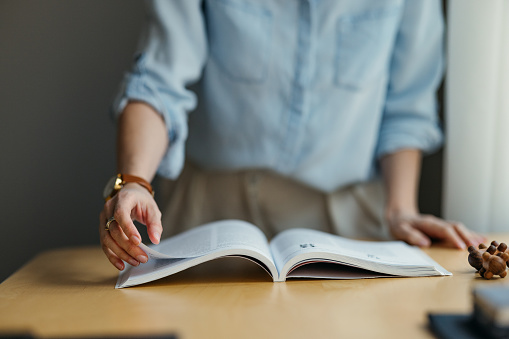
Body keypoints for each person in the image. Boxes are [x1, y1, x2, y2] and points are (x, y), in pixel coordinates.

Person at [99, 0, 485, 271]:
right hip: (209, 208)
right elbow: (157, 82)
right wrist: (135, 182)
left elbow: (406, 106)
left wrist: (402, 209)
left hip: (347, 217)